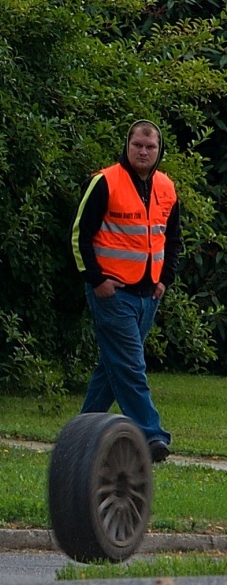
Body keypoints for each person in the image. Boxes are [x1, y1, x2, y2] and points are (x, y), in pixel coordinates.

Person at [69, 119, 183, 463]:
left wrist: (165, 280)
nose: (143, 152)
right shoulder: (105, 181)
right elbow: (79, 235)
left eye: (150, 147)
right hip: (112, 293)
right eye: (138, 146)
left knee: (112, 367)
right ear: (127, 146)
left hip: (149, 295)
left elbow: (173, 239)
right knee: (131, 365)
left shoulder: (167, 187)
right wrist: (96, 280)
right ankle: (152, 434)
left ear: (159, 150)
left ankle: (79, 435)